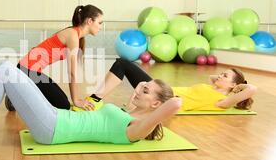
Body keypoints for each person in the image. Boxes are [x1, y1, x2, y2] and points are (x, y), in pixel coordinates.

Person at [0, 61, 180, 145]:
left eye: (145, 91)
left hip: (53, 127)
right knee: (7, 70)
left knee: (5, 71)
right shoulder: (129, 113)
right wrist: (141, 91)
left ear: (155, 105)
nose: (138, 88)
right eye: (141, 86)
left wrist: (163, 107)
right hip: (56, 117)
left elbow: (174, 105)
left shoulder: (136, 129)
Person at [5, 4, 104, 111]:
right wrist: (76, 100)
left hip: (27, 69)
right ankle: (17, 94)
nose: (100, 27)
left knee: (61, 101)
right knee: (63, 105)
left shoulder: (75, 34)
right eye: (99, 23)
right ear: (89, 21)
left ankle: (20, 91)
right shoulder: (73, 36)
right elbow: (72, 73)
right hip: (27, 70)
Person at [73, 58, 256, 112]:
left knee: (122, 64)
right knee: (122, 64)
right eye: (223, 73)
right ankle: (96, 98)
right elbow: (211, 77)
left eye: (226, 76)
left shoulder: (222, 100)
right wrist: (225, 79)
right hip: (163, 88)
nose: (220, 76)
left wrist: (240, 88)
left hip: (164, 96)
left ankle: (95, 99)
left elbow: (253, 89)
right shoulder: (213, 87)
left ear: (233, 86)